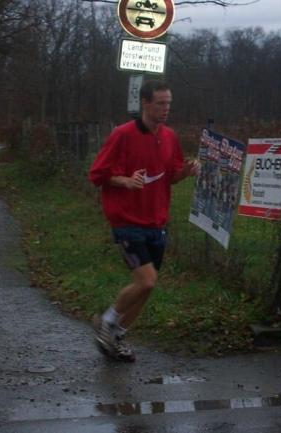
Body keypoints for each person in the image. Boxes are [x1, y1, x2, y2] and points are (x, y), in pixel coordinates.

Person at [88, 80, 200, 362]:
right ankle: (108, 320)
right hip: (126, 219)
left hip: (156, 221)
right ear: (145, 104)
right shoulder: (122, 135)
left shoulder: (170, 137)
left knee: (146, 290)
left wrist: (186, 171)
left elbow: (171, 175)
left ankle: (117, 337)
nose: (166, 109)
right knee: (147, 282)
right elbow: (97, 175)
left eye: (169, 103)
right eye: (161, 103)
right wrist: (124, 180)